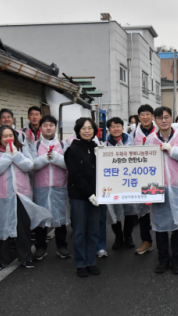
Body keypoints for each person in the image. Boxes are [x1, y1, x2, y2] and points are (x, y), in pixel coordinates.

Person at [0, 126, 51, 270]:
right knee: (2, 227)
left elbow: (29, 165)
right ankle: (2, 259)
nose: (8, 139)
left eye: (10, 135)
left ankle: (26, 257)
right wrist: (7, 156)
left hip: (21, 194)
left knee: (23, 227)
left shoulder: (21, 149)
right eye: (4, 136)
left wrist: (15, 154)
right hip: (2, 195)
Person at [145, 107, 178, 274]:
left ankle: (176, 260)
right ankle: (163, 259)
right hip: (156, 186)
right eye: (160, 118)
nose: (164, 120)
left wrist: (172, 150)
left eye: (166, 117)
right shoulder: (150, 139)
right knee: (159, 225)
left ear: (171, 118)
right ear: (155, 121)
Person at [64, 118, 102, 277]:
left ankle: (91, 262)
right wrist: (89, 193)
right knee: (79, 232)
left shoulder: (97, 148)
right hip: (79, 196)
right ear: (78, 131)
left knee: (93, 231)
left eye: (90, 128)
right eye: (83, 128)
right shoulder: (72, 150)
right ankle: (81, 264)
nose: (87, 131)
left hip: (97, 196)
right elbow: (75, 175)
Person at [31, 115, 71, 261]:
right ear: (40, 127)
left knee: (60, 218)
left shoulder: (63, 144)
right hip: (40, 187)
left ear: (56, 127)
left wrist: (56, 158)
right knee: (40, 218)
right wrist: (45, 158)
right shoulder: (34, 145)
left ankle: (61, 246)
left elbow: (69, 164)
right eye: (45, 125)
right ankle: (41, 247)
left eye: (51, 125)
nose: (48, 128)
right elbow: (30, 165)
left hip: (59, 186)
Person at [103, 117, 137, 250]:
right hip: (113, 183)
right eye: (112, 127)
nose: (115, 129)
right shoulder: (104, 145)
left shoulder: (131, 142)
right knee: (114, 211)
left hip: (129, 181)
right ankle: (118, 237)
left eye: (118, 126)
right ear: (109, 130)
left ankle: (128, 236)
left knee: (130, 211)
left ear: (123, 128)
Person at [129, 104, 156, 255]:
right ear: (138, 117)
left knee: (160, 207)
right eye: (142, 115)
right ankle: (146, 240)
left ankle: (165, 240)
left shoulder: (159, 131)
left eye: (148, 114)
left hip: (158, 177)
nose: (145, 117)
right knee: (143, 210)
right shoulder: (133, 134)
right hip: (140, 177)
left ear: (152, 116)